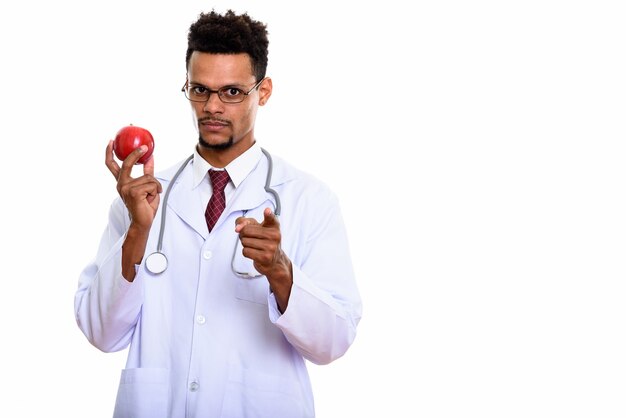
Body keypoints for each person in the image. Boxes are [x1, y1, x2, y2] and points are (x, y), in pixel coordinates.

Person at [74, 9, 362, 418]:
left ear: (263, 92)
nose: (211, 107)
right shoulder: (143, 202)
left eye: (231, 92)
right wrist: (138, 231)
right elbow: (102, 334)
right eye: (199, 89)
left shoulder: (308, 200)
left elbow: (333, 343)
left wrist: (281, 272)